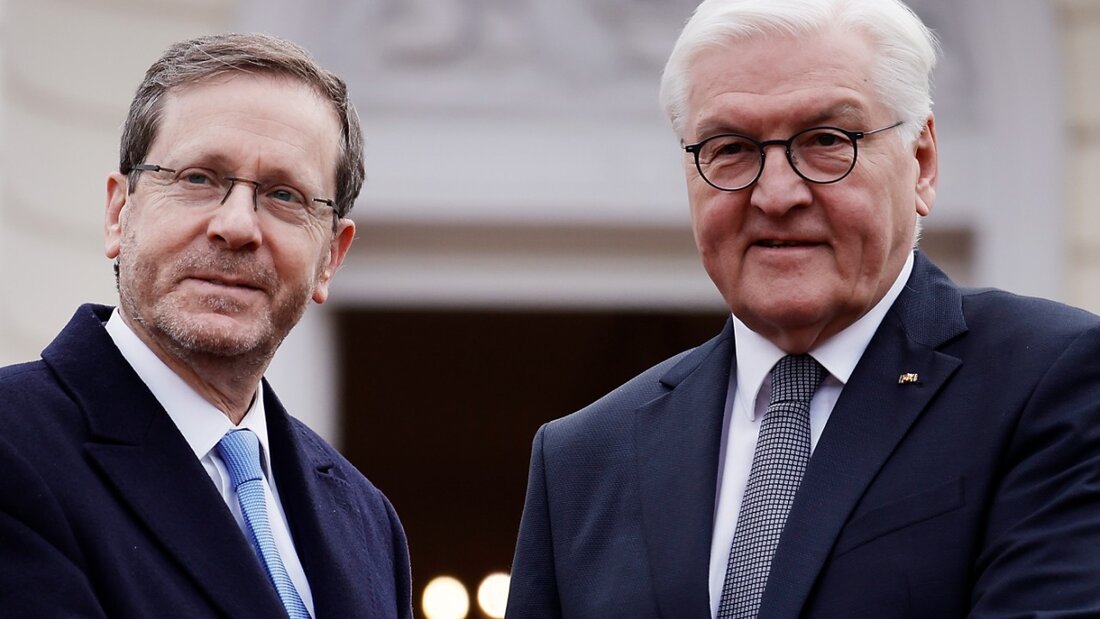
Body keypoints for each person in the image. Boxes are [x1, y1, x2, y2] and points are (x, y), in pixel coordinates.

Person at [506, 0, 1100, 617]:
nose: (777, 194)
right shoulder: (584, 458)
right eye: (730, 147)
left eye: (825, 140)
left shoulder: (1048, 384)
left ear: (921, 163)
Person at [0, 33, 412, 618]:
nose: (237, 225)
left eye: (284, 194)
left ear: (330, 258)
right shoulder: (14, 448)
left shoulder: (368, 520)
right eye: (198, 178)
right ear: (120, 213)